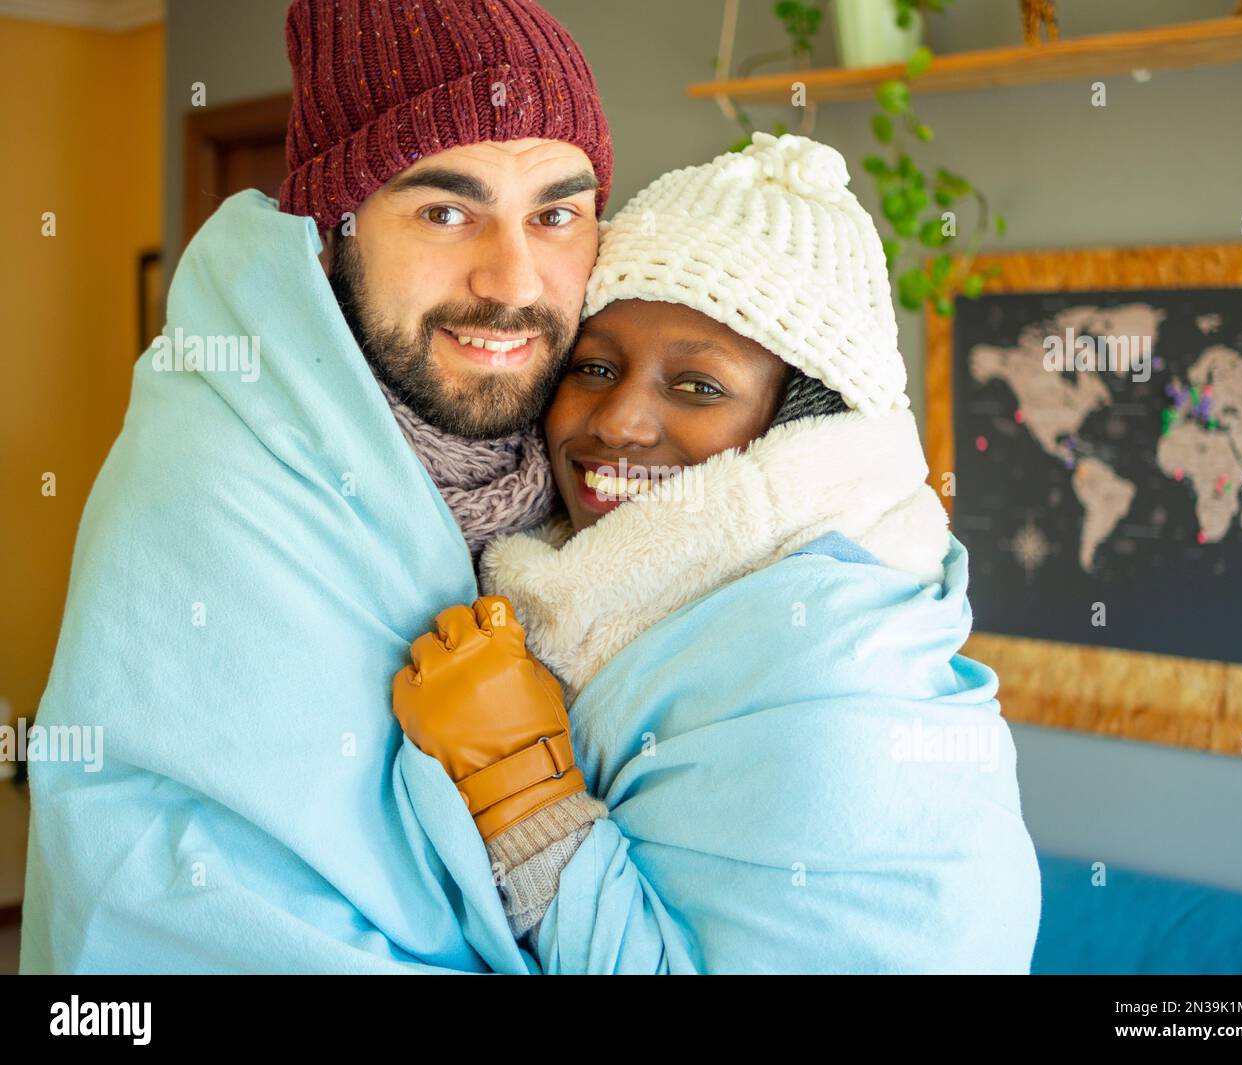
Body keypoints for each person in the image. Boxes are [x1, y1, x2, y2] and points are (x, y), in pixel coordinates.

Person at [21, 0, 613, 974]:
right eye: (445, 210)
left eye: (555, 214)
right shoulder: (214, 491)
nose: (512, 281)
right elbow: (181, 914)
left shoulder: (577, 470)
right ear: (334, 226)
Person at [390, 134, 1044, 973]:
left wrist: (520, 786)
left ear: (801, 430)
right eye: (593, 366)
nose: (617, 421)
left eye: (698, 386)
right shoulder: (591, 586)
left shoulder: (839, 687)